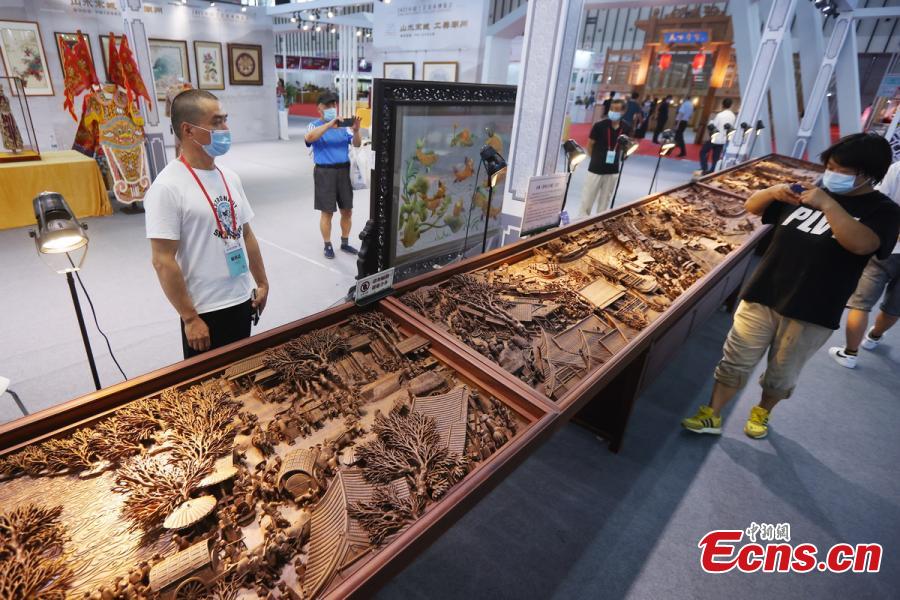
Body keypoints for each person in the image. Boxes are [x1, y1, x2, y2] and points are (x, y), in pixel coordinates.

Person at [681, 133, 900, 439]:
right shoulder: (811, 193)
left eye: (842, 170)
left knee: (782, 373)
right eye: (830, 167)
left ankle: (762, 411)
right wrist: (773, 191)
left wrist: (828, 205)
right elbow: (753, 207)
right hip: (764, 291)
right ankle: (712, 414)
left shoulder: (883, 210)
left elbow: (862, 244)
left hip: (813, 308)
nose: (832, 174)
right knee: (735, 359)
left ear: (867, 174)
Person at [145, 89, 270, 359]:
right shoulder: (167, 187)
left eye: (225, 119)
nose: (226, 129)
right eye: (216, 122)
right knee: (212, 382)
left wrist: (261, 282)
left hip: (241, 298)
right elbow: (162, 260)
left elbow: (246, 233)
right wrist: (190, 318)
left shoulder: (229, 177)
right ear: (188, 130)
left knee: (243, 371)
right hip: (204, 310)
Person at [829, 159, 900, 368]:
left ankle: (850, 353)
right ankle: (874, 337)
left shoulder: (898, 168)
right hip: (889, 246)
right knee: (895, 307)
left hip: (888, 247)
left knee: (861, 303)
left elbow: (881, 200)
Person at [304, 92, 362, 259]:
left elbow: (357, 144)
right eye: (327, 106)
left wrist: (356, 131)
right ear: (319, 109)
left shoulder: (343, 127)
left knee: (347, 210)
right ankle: (327, 244)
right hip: (325, 172)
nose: (331, 108)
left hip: (344, 171)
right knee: (327, 212)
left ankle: (345, 242)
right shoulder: (313, 125)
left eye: (333, 105)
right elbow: (309, 138)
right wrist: (329, 124)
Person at [580, 98, 631, 216]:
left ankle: (600, 222)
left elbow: (627, 146)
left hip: (612, 170)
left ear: (623, 111)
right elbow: (590, 144)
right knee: (587, 199)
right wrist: (595, 159)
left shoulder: (626, 128)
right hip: (596, 168)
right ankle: (582, 220)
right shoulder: (599, 126)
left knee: (605, 201)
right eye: (611, 109)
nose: (613, 111)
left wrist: (626, 153)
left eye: (617, 109)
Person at [699, 98, 736, 175]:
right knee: (716, 156)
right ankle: (713, 170)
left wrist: (711, 122)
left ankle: (704, 168)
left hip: (715, 138)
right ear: (731, 105)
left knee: (703, 151)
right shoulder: (733, 116)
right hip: (723, 139)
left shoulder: (720, 115)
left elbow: (714, 126)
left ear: (722, 105)